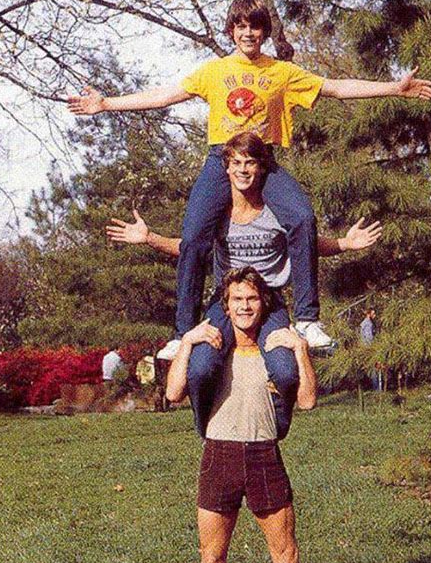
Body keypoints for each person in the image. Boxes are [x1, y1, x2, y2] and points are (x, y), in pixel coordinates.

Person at [68, 0, 431, 359]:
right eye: (241, 26)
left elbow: (336, 88)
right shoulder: (214, 71)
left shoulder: (281, 72)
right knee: (195, 235)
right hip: (221, 160)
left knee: (303, 218)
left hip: (262, 160)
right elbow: (166, 95)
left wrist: (392, 88)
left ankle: (306, 319)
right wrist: (106, 103)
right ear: (231, 31)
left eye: (255, 27)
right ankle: (183, 331)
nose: (248, 33)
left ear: (264, 31)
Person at [106, 132, 382, 436]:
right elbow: (190, 246)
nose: (243, 170)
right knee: (200, 369)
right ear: (225, 168)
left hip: (268, 302)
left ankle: (274, 430)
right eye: (236, 163)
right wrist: (149, 238)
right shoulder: (217, 215)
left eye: (250, 163)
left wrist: (344, 243)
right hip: (226, 302)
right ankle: (206, 429)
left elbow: (307, 244)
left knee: (285, 372)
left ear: (262, 168)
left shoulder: (277, 211)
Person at [166, 266, 335, 563]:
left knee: (287, 557)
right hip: (218, 459)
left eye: (252, 299)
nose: (244, 307)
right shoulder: (213, 348)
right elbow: (172, 393)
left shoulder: (273, 351)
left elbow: (309, 401)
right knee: (211, 562)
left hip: (264, 458)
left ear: (263, 305)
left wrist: (299, 350)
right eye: (237, 300)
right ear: (226, 306)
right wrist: (187, 341)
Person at [360, 308, 382, 390]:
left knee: (370, 368)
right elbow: (370, 338)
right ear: (368, 314)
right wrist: (374, 349)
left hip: (365, 348)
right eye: (373, 313)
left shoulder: (364, 323)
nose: (375, 315)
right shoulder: (369, 324)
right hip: (369, 348)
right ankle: (377, 389)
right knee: (374, 368)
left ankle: (372, 387)